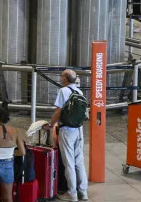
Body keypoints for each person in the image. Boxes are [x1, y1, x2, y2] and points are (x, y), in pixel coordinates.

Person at [47, 70, 88, 202]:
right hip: (79, 129)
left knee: (69, 163)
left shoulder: (63, 91)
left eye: (62, 76)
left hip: (67, 130)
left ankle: (72, 194)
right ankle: (83, 192)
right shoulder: (80, 92)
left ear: (65, 79)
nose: (61, 78)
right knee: (79, 162)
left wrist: (50, 125)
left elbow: (58, 111)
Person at [0, 108, 25, 202]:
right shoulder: (15, 131)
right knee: (8, 197)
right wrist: (9, 153)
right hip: (8, 165)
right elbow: (22, 152)